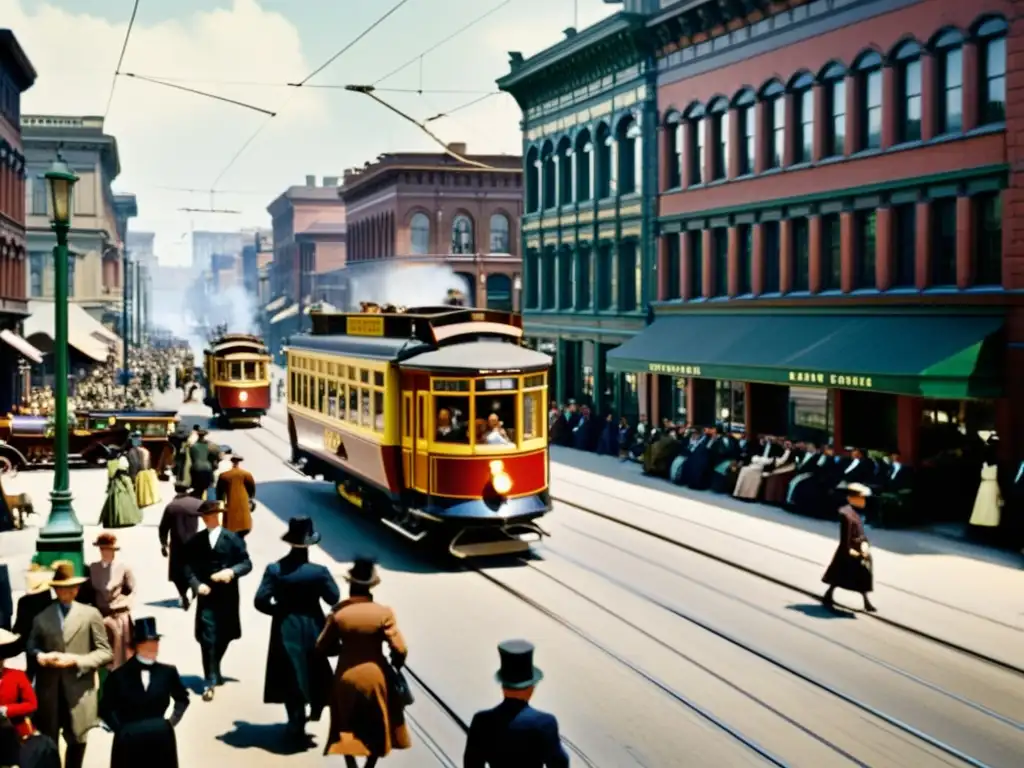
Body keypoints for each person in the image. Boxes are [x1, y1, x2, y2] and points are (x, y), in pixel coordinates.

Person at [316, 558, 410, 766]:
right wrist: (396, 663)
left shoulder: (338, 613)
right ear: (371, 587)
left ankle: (351, 766)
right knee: (376, 723)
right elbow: (400, 648)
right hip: (375, 676)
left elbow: (322, 646)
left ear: (351, 585)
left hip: (345, 676)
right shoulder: (384, 613)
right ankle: (369, 766)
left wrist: (343, 649)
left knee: (345, 723)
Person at [253, 517, 339, 743]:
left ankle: (296, 719)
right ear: (310, 544)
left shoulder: (275, 569)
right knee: (315, 669)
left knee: (290, 673)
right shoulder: (319, 572)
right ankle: (317, 704)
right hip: (313, 625)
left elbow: (260, 601)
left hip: (285, 627)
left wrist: (279, 612)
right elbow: (334, 598)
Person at [26, 561, 113, 768]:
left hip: (79, 691)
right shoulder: (42, 617)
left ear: (78, 588)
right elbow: (31, 645)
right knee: (50, 742)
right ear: (55, 589)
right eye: (62, 588)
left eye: (72, 587)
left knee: (78, 741)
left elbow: (105, 652)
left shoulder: (91, 615)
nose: (68, 592)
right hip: (50, 693)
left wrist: (77, 660)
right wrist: (40, 657)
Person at [182, 501, 252, 702]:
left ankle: (215, 666)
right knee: (208, 639)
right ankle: (209, 680)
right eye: (207, 515)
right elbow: (186, 566)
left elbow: (246, 563)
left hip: (228, 596)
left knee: (225, 635)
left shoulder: (232, 539)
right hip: (207, 596)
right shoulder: (196, 541)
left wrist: (231, 571)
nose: (210, 518)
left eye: (213, 514)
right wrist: (196, 585)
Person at [98, 618, 190, 768]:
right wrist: (121, 730)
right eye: (148, 644)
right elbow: (104, 708)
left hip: (160, 737)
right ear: (137, 647)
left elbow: (183, 699)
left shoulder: (167, 672)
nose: (153, 648)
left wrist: (170, 722)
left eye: (155, 643)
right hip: (129, 740)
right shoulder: (118, 676)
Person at [463, 639, 569, 768]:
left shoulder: (481, 721)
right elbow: (560, 763)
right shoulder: (544, 723)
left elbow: (471, 764)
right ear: (530, 689)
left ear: (502, 686)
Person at [83, 533, 136, 671]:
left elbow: (131, 589)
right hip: (101, 615)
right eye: (103, 549)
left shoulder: (124, 568)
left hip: (118, 615)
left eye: (109, 550)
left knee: (121, 655)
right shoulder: (93, 568)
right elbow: (89, 592)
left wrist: (124, 604)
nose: (106, 552)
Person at [822, 483, 877, 613]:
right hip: (850, 549)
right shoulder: (846, 514)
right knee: (855, 574)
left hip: (858, 548)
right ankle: (866, 602)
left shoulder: (854, 513)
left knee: (845, 575)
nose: (864, 501)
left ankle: (829, 594)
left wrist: (865, 544)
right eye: (861, 498)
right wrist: (849, 550)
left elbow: (859, 532)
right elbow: (846, 535)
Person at [158, 483, 203, 610]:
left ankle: (183, 594)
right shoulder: (196, 504)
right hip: (194, 542)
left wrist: (163, 544)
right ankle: (193, 590)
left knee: (177, 573)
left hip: (177, 544)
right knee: (193, 569)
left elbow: (163, 528)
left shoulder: (171, 507)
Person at [13, 567, 53, 685]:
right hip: (48, 648)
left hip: (31, 648)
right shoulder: (50, 602)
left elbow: (19, 628)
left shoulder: (24, 602)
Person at [216, 455, 256, 539]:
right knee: (241, 535)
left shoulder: (224, 476)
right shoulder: (246, 474)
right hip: (243, 513)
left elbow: (219, 495)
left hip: (230, 511)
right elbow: (252, 490)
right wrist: (249, 499)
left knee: (229, 536)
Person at [99, 455, 143, 529]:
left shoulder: (112, 463)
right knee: (127, 501)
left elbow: (110, 476)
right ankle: (125, 520)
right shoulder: (123, 460)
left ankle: (113, 520)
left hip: (115, 484)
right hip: (122, 482)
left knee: (114, 503)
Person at [127, 431, 161, 509]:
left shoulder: (131, 452)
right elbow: (148, 465)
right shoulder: (145, 451)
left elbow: (133, 466)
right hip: (144, 473)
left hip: (136, 473)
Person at [187, 429, 217, 501]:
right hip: (207, 468)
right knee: (209, 487)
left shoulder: (193, 446)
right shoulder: (210, 446)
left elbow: (191, 458)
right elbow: (215, 458)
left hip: (196, 468)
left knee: (197, 488)